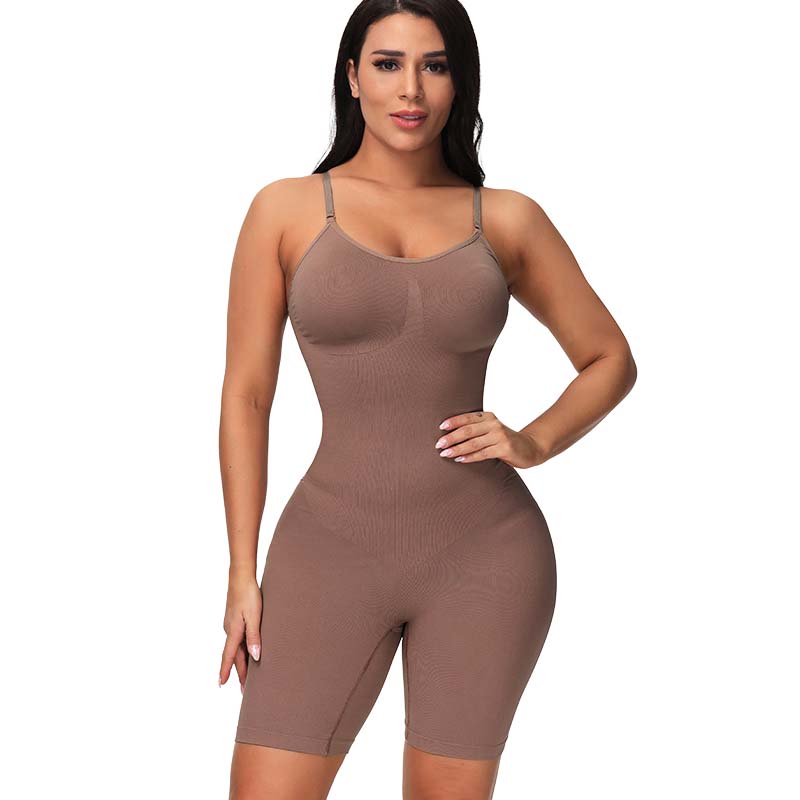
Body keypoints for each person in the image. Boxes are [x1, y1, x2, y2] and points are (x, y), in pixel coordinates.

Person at [218, 2, 637, 798]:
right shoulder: (287, 208)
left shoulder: (506, 218)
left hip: (487, 554)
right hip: (325, 553)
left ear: (458, 82)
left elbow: (609, 357)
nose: (410, 89)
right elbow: (247, 397)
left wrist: (534, 440)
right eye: (388, 64)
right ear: (352, 77)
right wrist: (242, 570)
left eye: (434, 65)